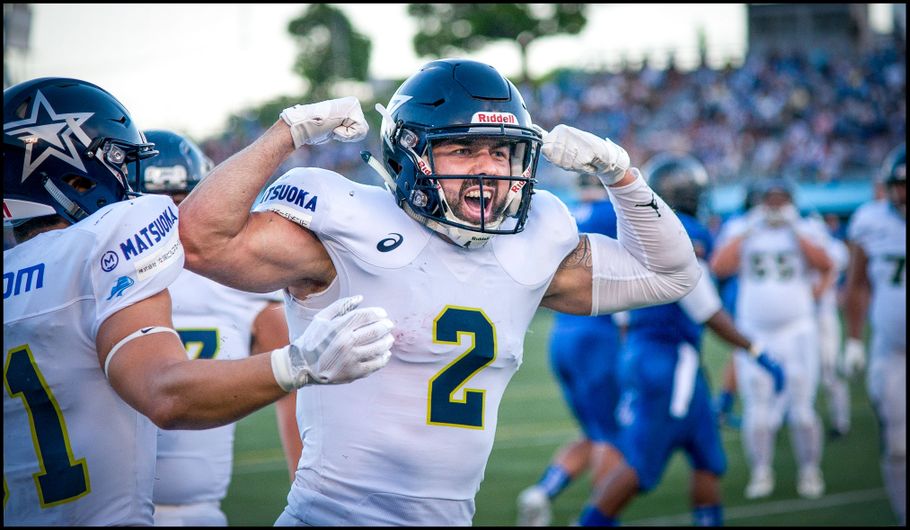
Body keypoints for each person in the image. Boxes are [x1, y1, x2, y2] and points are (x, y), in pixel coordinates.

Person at [177, 58, 701, 525]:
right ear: (410, 156)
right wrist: (286, 133)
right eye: (463, 149)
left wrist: (621, 174)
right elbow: (200, 241)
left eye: (502, 151)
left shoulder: (535, 242)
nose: (488, 169)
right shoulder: (346, 228)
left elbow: (670, 274)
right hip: (330, 514)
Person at [2, 77, 394, 526]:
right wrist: (298, 363)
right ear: (72, 174)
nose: (127, 183)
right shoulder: (97, 248)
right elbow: (165, 393)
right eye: (118, 163)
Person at [574, 153, 785, 527]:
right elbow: (703, 306)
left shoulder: (637, 229)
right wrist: (756, 350)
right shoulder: (685, 230)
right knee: (641, 464)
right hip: (670, 361)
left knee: (706, 456)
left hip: (652, 354)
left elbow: (622, 309)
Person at [137, 129, 302, 526]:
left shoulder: (104, 279)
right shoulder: (238, 283)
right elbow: (297, 380)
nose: (170, 217)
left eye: (181, 202)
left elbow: (296, 381)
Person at [710, 177, 833, 500]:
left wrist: (795, 230)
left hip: (798, 329)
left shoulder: (806, 227)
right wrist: (748, 230)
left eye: (781, 199)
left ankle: (810, 469)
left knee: (803, 410)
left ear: (791, 200)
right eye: (771, 199)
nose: (775, 205)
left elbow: (826, 263)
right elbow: (719, 267)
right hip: (755, 329)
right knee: (757, 410)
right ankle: (761, 471)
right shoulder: (743, 226)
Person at [516, 173, 623, 527]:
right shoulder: (612, 212)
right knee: (612, 433)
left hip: (562, 335)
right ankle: (598, 517)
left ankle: (542, 492)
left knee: (594, 430)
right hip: (597, 333)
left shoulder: (565, 212)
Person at [843, 143, 905, 525]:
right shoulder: (871, 220)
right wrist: (852, 339)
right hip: (893, 348)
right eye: (899, 185)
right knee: (898, 446)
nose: (904, 194)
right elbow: (857, 284)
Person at [811, 213, 851, 439]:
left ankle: (840, 420)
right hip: (806, 318)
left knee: (830, 368)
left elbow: (829, 275)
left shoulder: (834, 249)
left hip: (824, 315)